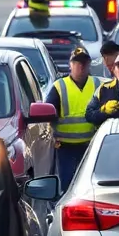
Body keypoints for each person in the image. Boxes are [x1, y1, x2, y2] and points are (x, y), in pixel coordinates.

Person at [42, 47, 97, 193]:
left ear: (89, 64)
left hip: (91, 145)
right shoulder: (59, 86)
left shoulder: (98, 85)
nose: (81, 66)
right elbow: (47, 112)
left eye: (84, 63)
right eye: (77, 62)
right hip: (65, 147)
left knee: (89, 186)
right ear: (70, 64)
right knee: (67, 185)